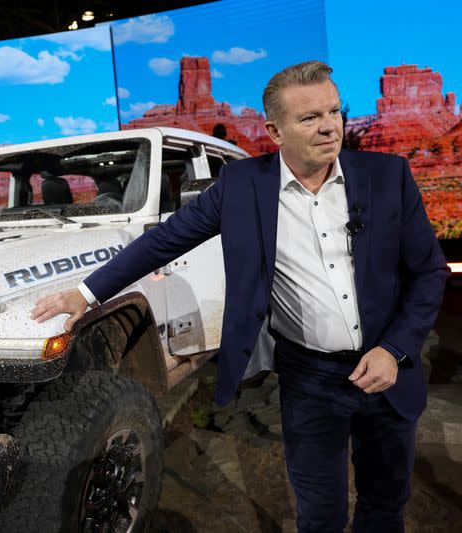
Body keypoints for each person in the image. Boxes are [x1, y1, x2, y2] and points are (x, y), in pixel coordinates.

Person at [31, 61, 449, 532]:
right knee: (320, 513)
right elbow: (165, 240)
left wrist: (394, 349)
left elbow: (430, 273)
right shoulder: (242, 186)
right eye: (310, 117)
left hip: (388, 373)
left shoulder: (387, 175)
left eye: (334, 110)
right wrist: (86, 294)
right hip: (310, 378)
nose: (329, 125)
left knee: (385, 505)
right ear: (274, 131)